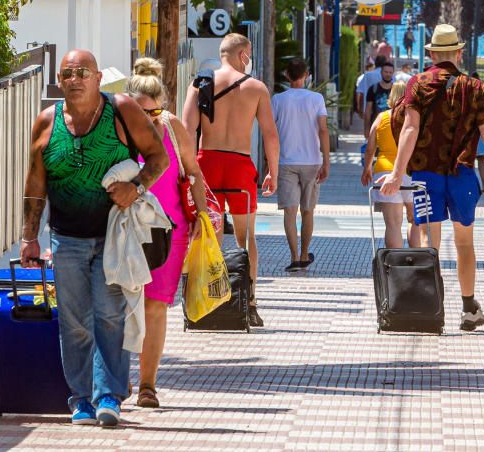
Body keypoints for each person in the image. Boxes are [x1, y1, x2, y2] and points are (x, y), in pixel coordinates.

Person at [20, 50, 170, 426]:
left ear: (98, 77)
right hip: (65, 238)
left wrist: (135, 187)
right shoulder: (46, 122)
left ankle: (109, 396)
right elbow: (36, 183)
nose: (74, 79)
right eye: (67, 73)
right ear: (59, 79)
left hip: (113, 237)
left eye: (82, 72)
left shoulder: (121, 110)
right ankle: (80, 398)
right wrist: (29, 236)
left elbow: (158, 158)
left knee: (108, 317)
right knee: (73, 321)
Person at [380, 24, 484, 332]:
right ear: (458, 52)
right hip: (463, 174)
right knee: (465, 242)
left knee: (429, 240)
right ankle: (468, 307)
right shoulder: (475, 88)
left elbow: (409, 128)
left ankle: (431, 305)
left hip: (426, 174)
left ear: (431, 54)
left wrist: (398, 174)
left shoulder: (417, 84)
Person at [124, 58, 209, 410]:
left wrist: (204, 219)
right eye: (141, 114)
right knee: (117, 307)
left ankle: (147, 384)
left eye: (154, 113)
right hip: (124, 229)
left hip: (168, 232)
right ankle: (116, 379)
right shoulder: (117, 127)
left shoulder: (173, 128)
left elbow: (194, 173)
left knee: (155, 307)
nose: (149, 120)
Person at [182, 33, 280, 328]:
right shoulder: (256, 88)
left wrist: (187, 171)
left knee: (202, 234)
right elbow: (270, 135)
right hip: (239, 164)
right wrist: (272, 171)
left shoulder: (200, 84)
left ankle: (199, 298)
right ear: (243, 56)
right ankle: (248, 303)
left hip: (206, 164)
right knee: (245, 238)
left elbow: (187, 130)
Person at [270, 58, 330, 271]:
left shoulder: (278, 100)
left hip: (286, 161)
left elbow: (272, 134)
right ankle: (305, 254)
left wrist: (271, 165)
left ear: (287, 75)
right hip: (312, 161)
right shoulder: (316, 99)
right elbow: (323, 130)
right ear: (306, 75)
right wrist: (327, 161)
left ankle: (294, 256)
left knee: (289, 212)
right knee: (308, 211)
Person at [362, 81, 421, 248]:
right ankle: (416, 260)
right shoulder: (415, 117)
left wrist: (367, 168)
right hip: (411, 172)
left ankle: (395, 266)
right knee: (415, 220)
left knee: (393, 224)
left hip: (384, 172)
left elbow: (370, 148)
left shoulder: (382, 118)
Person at [364, 60, 395, 137]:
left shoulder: (396, 89)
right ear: (381, 72)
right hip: (376, 127)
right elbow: (368, 110)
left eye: (390, 72)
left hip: (392, 129)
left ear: (393, 73)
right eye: (386, 72)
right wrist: (366, 128)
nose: (388, 74)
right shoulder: (373, 89)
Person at [357, 54, 388, 133]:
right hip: (386, 112)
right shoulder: (390, 76)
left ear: (375, 63)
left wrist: (359, 109)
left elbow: (359, 93)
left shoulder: (367, 75)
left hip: (369, 111)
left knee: (370, 135)